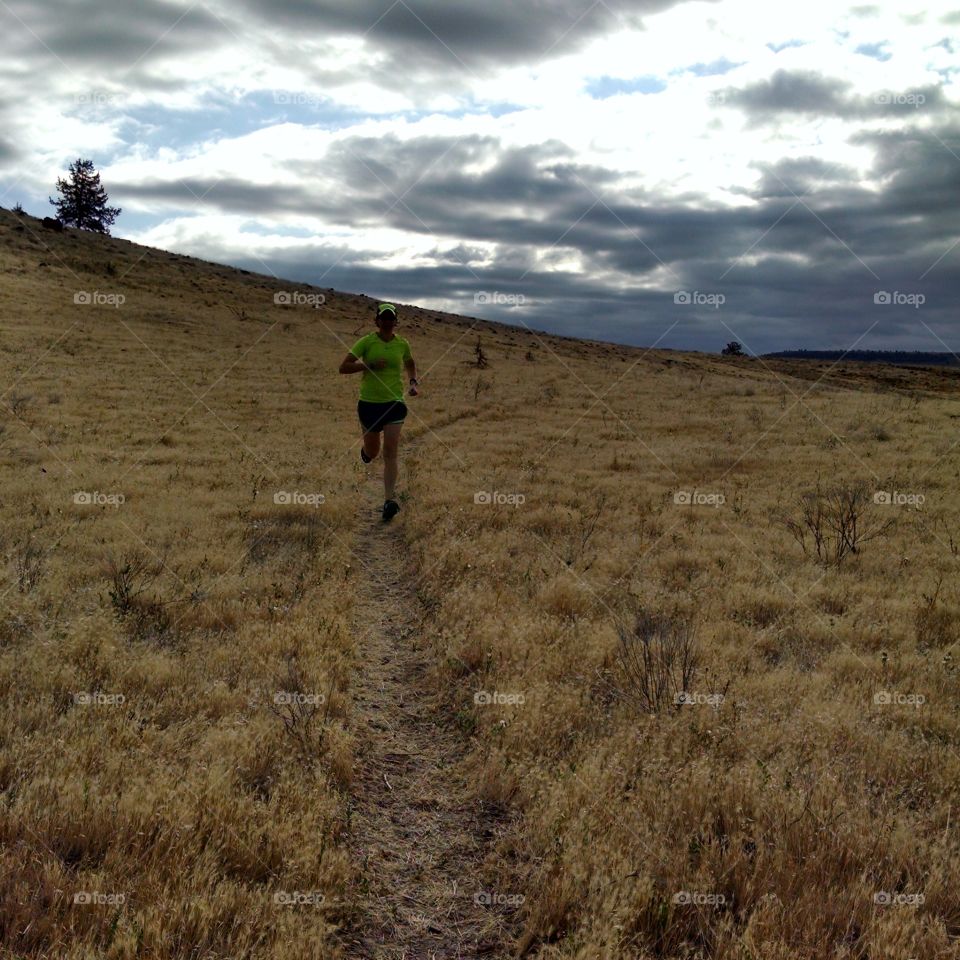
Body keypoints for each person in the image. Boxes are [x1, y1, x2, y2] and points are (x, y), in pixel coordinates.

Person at [339, 302, 419, 521]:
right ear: (377, 321)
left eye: (390, 318)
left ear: (395, 322)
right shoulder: (366, 342)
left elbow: (410, 362)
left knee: (391, 451)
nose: (387, 322)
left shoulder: (402, 344)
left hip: (394, 402)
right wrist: (368, 365)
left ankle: (389, 500)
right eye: (383, 318)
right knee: (373, 452)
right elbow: (343, 367)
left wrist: (413, 382)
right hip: (369, 404)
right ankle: (366, 453)